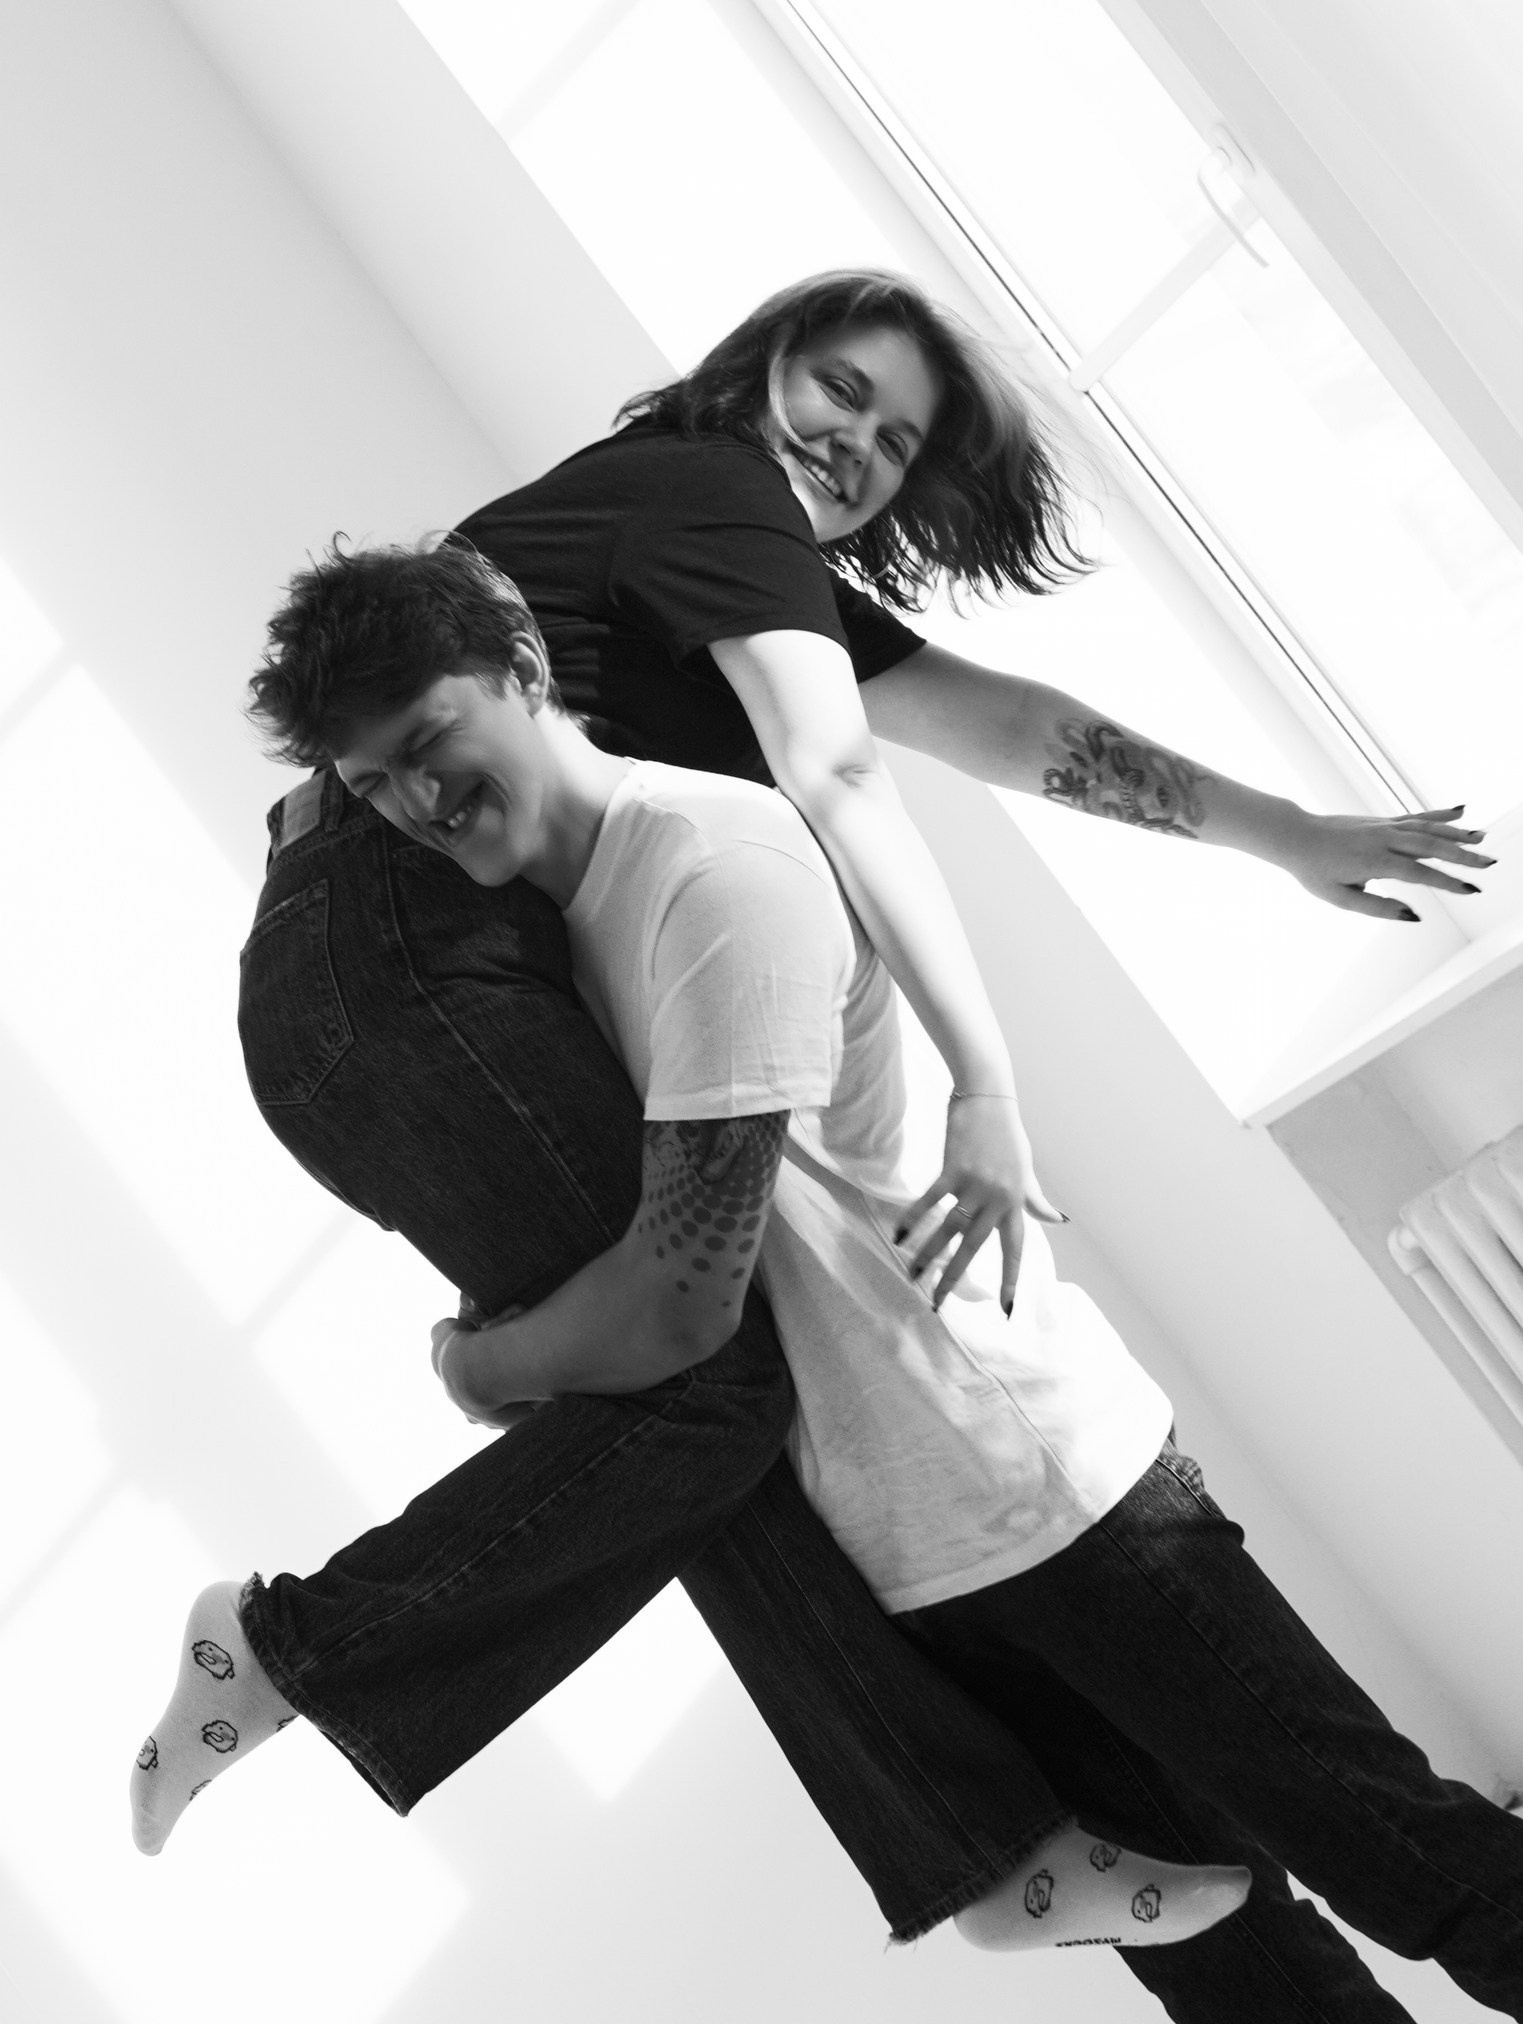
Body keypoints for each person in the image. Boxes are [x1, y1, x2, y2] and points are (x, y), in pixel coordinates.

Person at [132, 543, 1523, 2022]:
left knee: (1407, 1859)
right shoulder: (535, 946)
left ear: (523, 667)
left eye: (430, 741)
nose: (419, 798)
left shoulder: (711, 870)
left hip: (1036, 1495)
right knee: (1247, 1976)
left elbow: (683, 1301)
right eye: (375, 781)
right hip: (900, 1544)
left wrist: (483, 1365)